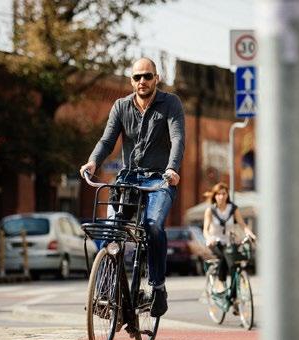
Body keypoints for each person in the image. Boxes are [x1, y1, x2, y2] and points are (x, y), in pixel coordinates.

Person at [79, 57, 185, 318]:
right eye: (137, 77)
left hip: (160, 180)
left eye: (147, 76)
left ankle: (157, 287)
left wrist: (172, 169)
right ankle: (105, 289)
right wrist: (93, 162)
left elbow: (177, 138)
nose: (142, 82)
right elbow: (107, 140)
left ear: (156, 78)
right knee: (110, 228)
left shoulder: (170, 103)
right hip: (128, 180)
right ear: (131, 80)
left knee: (152, 226)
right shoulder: (121, 106)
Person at [202, 182, 256, 284]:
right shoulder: (210, 210)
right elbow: (205, 230)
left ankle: (234, 294)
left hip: (229, 242)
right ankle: (221, 283)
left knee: (234, 263)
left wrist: (250, 234)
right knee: (224, 256)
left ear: (227, 195)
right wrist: (209, 238)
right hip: (215, 242)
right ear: (215, 196)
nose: (221, 196)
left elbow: (243, 225)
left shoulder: (233, 209)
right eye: (218, 194)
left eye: (224, 193)